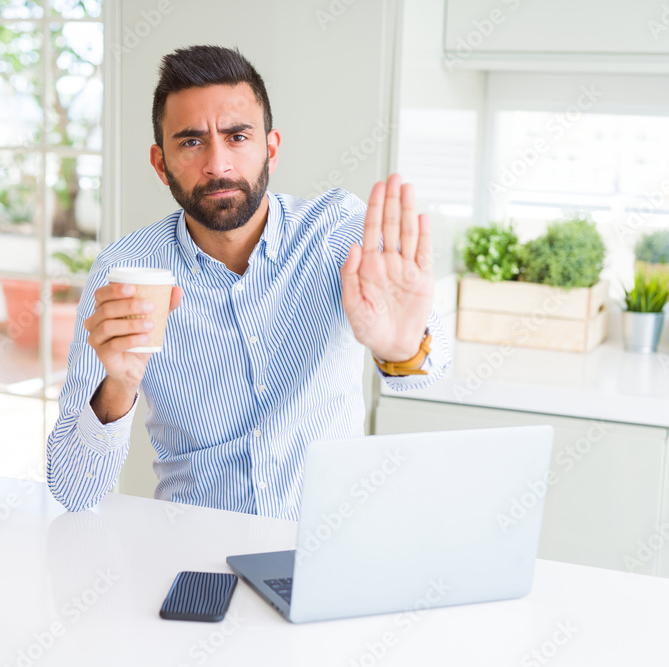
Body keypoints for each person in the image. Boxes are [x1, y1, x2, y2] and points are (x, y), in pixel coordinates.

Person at [46, 44, 451, 518]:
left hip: (329, 545)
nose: (218, 165)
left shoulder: (339, 233)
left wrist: (404, 350)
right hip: (195, 554)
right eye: (192, 142)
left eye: (237, 136)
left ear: (270, 149)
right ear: (161, 164)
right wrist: (118, 384)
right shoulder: (126, 273)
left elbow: (431, 375)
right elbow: (73, 492)